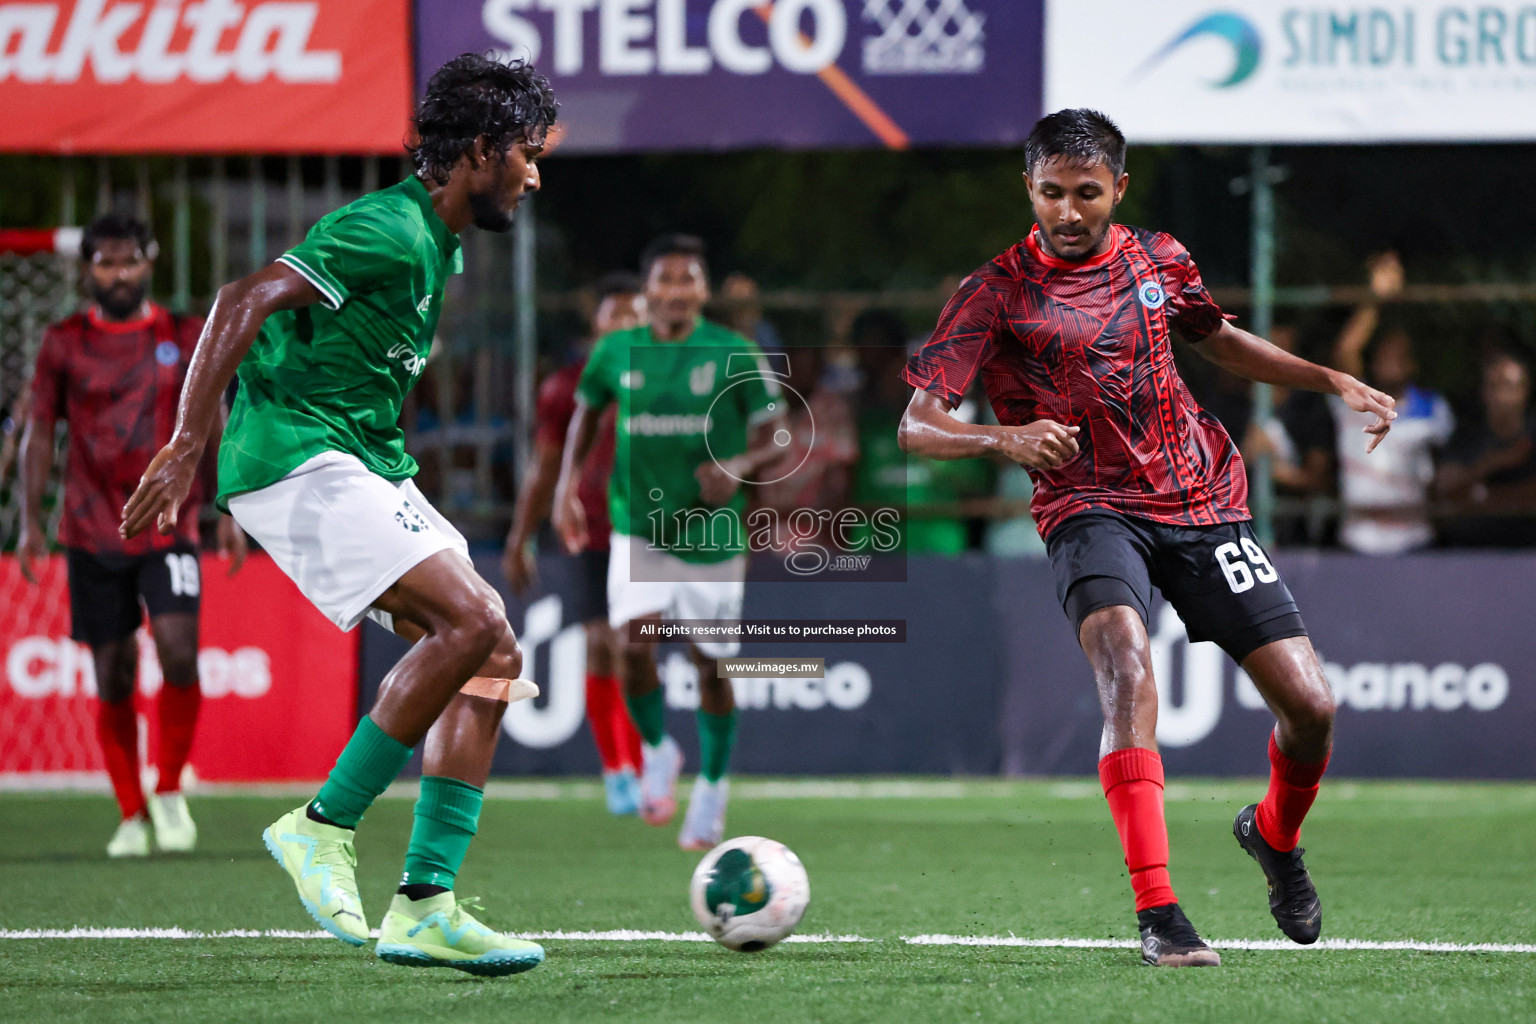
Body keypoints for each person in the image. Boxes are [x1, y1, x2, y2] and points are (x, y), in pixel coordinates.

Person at [897, 110, 1397, 968]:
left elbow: (1218, 340)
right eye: (1051, 192)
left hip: (1202, 498)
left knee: (1311, 707)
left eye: (1085, 193)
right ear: (1029, 188)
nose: (1067, 210)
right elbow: (916, 424)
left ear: (1117, 189)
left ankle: (1273, 836)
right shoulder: (995, 292)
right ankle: (1160, 914)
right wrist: (1004, 439)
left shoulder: (1159, 258)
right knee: (1126, 666)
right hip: (1089, 506)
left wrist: (1331, 378)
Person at [120, 54, 558, 977]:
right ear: (481, 150)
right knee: (470, 618)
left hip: (358, 457)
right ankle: (321, 827)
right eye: (526, 152)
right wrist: (190, 443)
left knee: (494, 650)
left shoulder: (443, 243)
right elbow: (241, 298)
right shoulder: (389, 230)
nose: (534, 171)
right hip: (291, 452)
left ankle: (426, 905)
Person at [18, 213, 247, 858]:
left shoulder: (182, 332)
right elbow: (40, 429)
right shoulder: (63, 341)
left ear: (150, 262)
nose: (119, 274)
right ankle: (130, 811)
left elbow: (213, 420)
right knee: (113, 674)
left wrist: (227, 506)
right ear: (87, 268)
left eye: (130, 261)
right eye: (106, 263)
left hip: (170, 524)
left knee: (178, 651)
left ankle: (169, 786)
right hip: (92, 529)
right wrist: (32, 519)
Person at [552, 234, 786, 851]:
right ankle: (658, 750)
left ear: (704, 291)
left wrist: (736, 463)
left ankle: (712, 787)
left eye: (689, 280)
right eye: (666, 280)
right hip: (638, 527)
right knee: (633, 645)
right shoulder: (617, 351)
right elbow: (584, 415)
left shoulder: (734, 352)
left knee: (709, 665)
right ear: (646, 291)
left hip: (711, 534)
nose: (677, 292)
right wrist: (564, 488)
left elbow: (777, 436)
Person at [502, 272, 648, 814]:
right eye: (617, 315)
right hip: (587, 529)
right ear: (599, 322)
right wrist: (521, 537)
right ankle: (618, 771)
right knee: (600, 643)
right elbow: (543, 467)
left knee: (634, 647)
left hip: (647, 530)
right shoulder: (567, 387)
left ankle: (643, 759)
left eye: (636, 316)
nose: (626, 325)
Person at [1331, 252, 1454, 553]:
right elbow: (1345, 351)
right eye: (1383, 351)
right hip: (1356, 543)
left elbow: (1445, 476)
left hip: (1415, 543)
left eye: (1400, 353)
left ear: (1413, 363)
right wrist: (1375, 299)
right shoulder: (1354, 400)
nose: (1389, 357)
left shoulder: (1434, 409)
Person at [1436, 347, 1536, 546]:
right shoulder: (1465, 438)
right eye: (1493, 386)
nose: (1501, 395)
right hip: (1473, 550)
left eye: (1509, 386)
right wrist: (1493, 462)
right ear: (1484, 392)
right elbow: (1444, 491)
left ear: (1525, 391)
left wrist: (1484, 496)